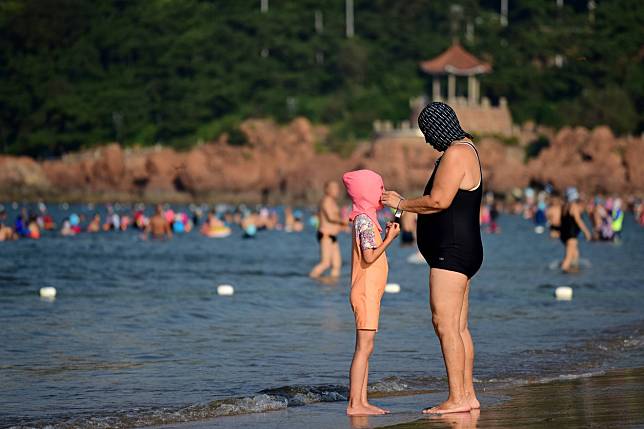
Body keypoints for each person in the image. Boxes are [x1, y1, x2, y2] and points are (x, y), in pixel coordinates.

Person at [381, 102, 482, 414]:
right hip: (464, 249)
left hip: (451, 252)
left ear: (439, 127)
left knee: (445, 324)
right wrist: (402, 208)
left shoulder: (456, 153)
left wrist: (402, 202)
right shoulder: (468, 149)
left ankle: (458, 398)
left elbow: (439, 201)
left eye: (428, 133)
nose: (427, 140)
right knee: (459, 326)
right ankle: (467, 395)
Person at [342, 170, 400, 416]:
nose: (383, 192)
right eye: (379, 188)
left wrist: (400, 210)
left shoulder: (368, 218)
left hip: (369, 292)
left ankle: (362, 401)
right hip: (364, 292)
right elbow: (369, 256)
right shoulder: (365, 220)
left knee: (367, 348)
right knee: (363, 349)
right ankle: (355, 404)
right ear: (367, 193)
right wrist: (389, 239)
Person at [309, 181, 348, 279]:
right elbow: (330, 217)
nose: (337, 190)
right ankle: (311, 279)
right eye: (334, 188)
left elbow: (334, 221)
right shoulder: (326, 201)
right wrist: (344, 221)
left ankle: (332, 287)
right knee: (325, 263)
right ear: (327, 190)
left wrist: (343, 226)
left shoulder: (333, 202)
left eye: (337, 188)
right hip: (325, 235)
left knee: (336, 265)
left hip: (333, 237)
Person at [560, 188, 591, 272]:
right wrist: (586, 232)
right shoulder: (573, 206)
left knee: (575, 254)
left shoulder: (564, 206)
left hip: (564, 234)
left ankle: (573, 272)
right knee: (569, 257)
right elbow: (578, 220)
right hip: (571, 234)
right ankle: (563, 273)